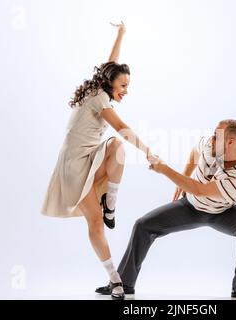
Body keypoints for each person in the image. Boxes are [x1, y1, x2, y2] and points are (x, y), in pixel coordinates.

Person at [41, 21, 152, 300]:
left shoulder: (103, 85)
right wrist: (149, 151)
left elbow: (110, 64)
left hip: (92, 157)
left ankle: (110, 203)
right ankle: (115, 279)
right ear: (111, 83)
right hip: (73, 167)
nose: (126, 90)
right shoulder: (99, 98)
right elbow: (122, 127)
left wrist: (121, 34)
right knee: (95, 224)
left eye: (128, 85)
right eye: (124, 85)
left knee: (116, 148)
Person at [96, 120, 236, 300]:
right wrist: (184, 178)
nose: (212, 139)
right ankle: (124, 284)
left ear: (230, 142)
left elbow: (199, 189)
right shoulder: (211, 145)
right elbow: (195, 152)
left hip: (222, 213)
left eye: (216, 136)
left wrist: (164, 169)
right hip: (191, 207)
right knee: (143, 225)